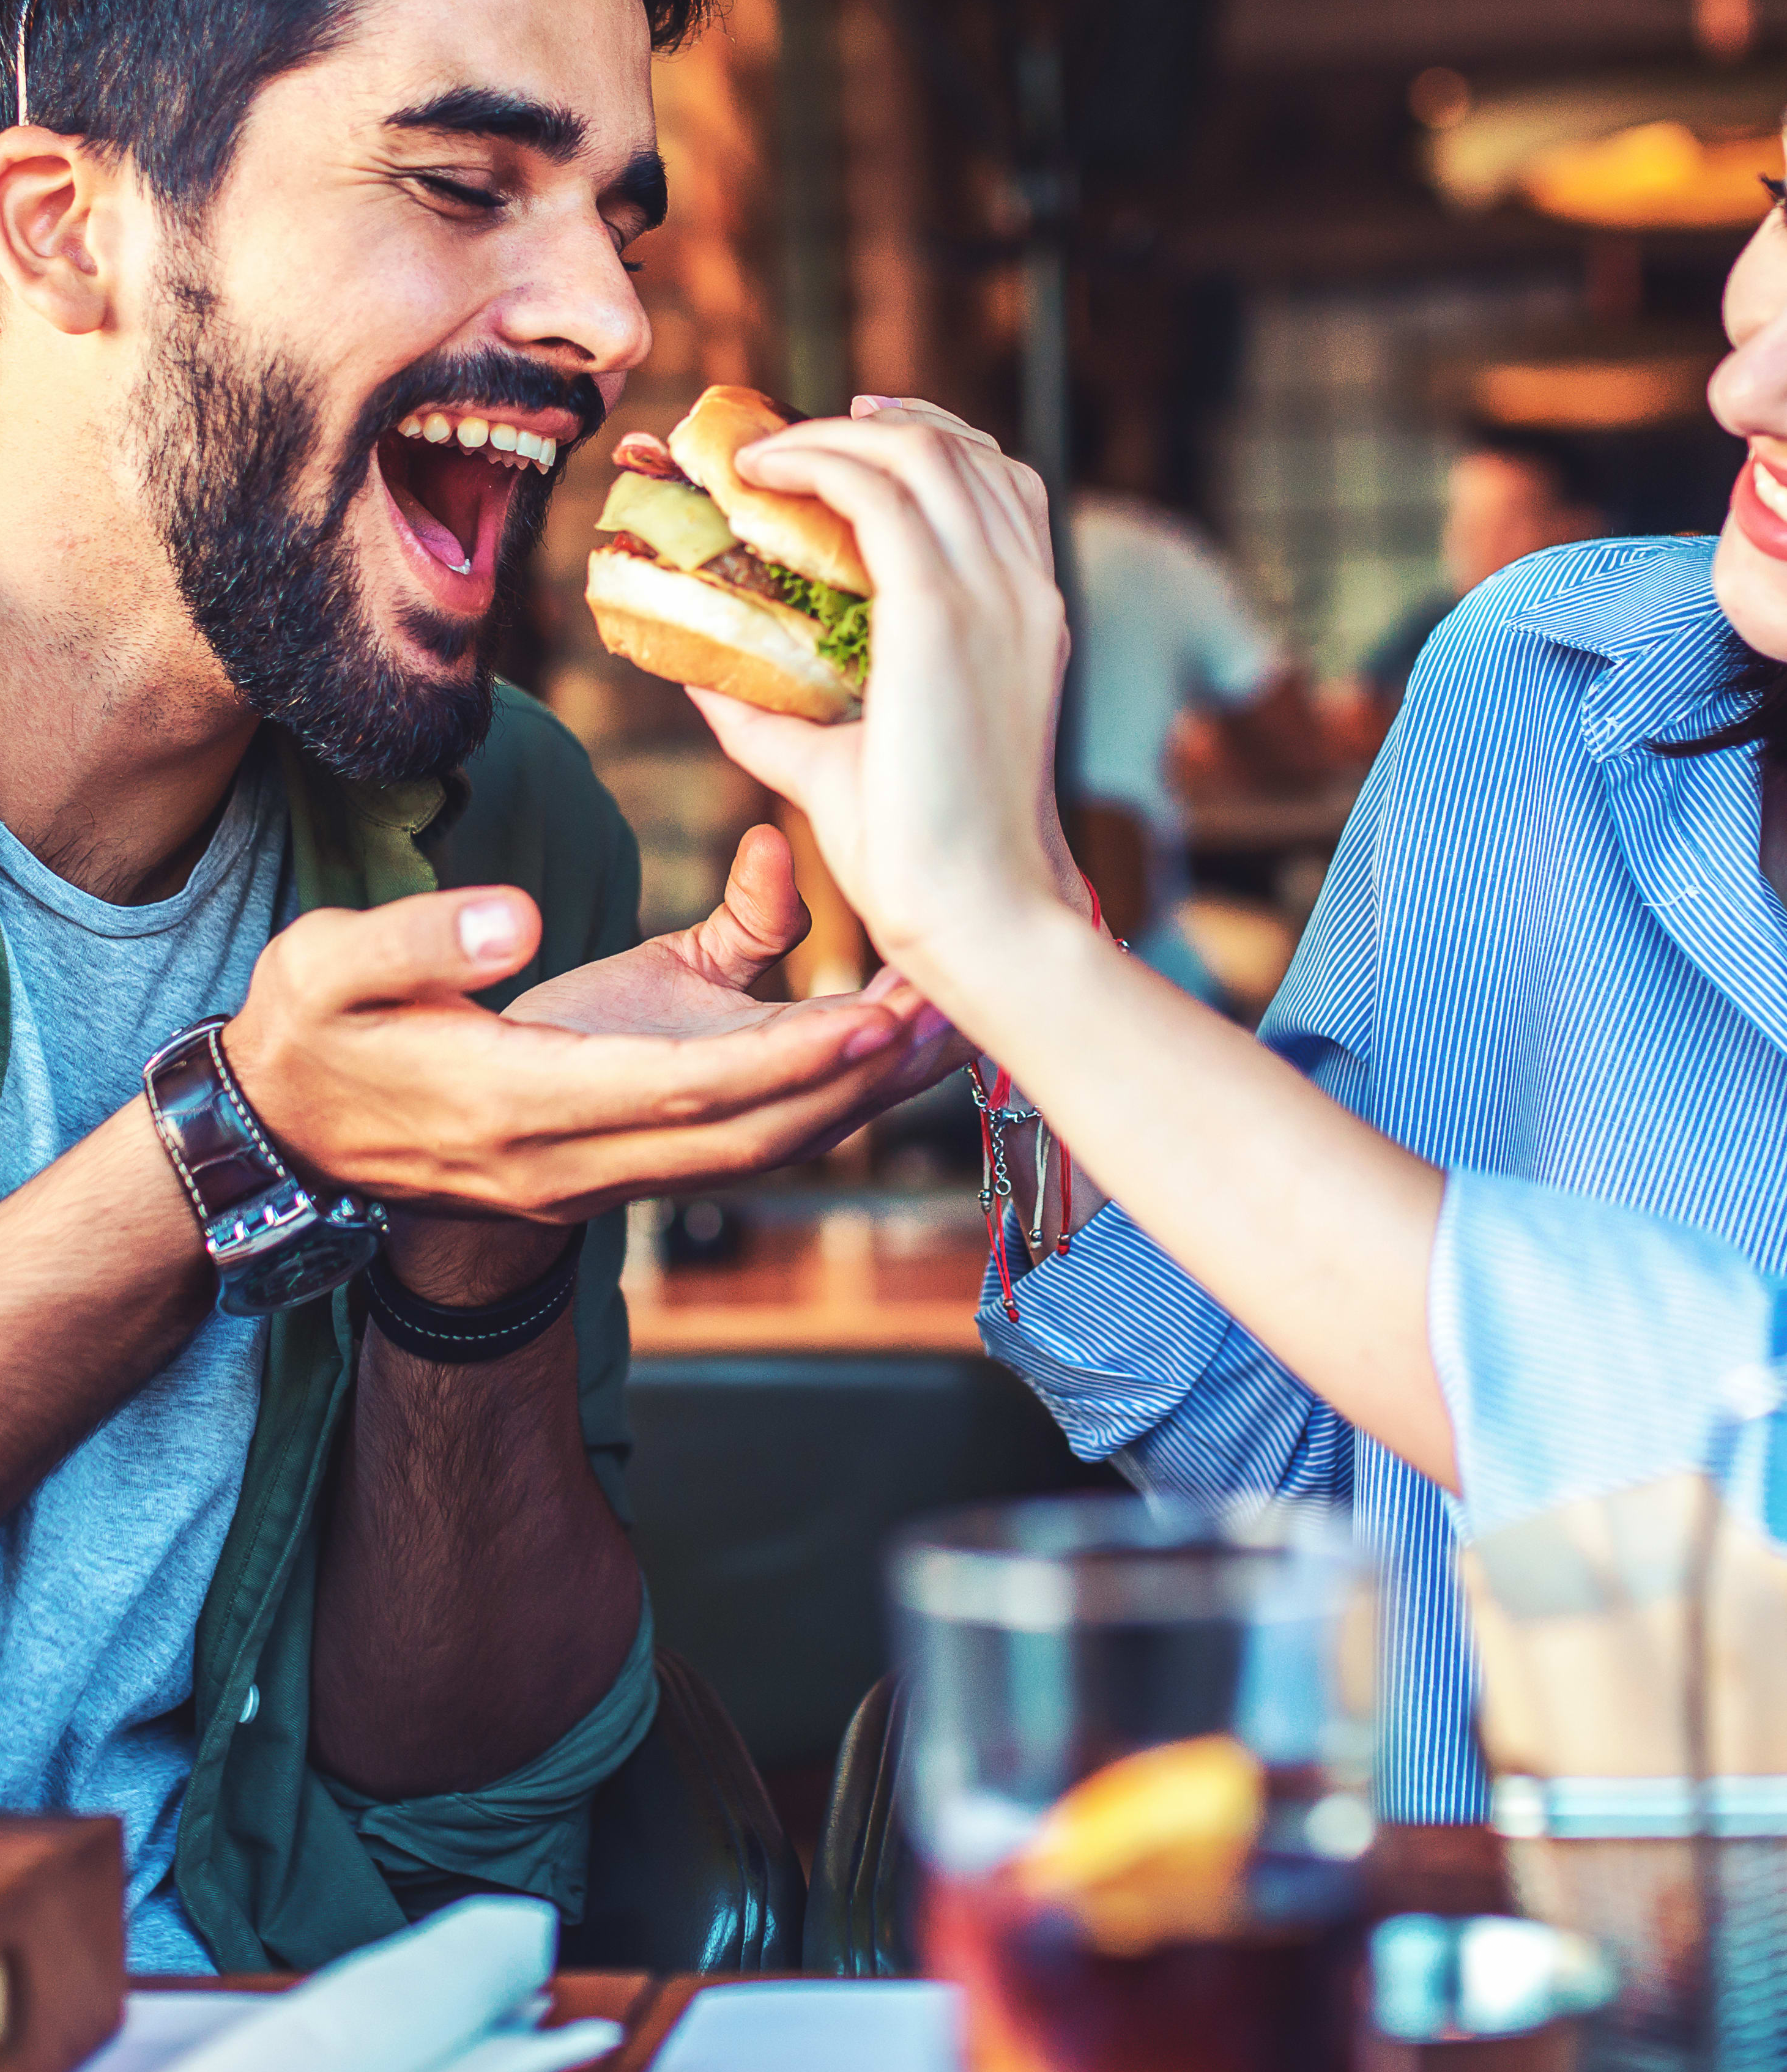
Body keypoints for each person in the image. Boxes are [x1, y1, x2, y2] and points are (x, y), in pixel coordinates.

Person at [0, 0, 951, 1973]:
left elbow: (471, 1800)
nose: (609, 315)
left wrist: (478, 1224)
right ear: (66, 228)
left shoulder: (505, 823)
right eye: (460, 185)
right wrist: (234, 1146)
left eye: (615, 218)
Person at [699, 152, 1787, 1825]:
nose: (1744, 366)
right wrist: (999, 926)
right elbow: (1295, 1450)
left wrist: (1008, 936)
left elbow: (1716, 1493)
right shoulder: (1534, 687)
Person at [1064, 464, 1327, 995]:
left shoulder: (932, 550)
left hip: (943, 944)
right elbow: (1295, 747)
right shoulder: (1151, 550)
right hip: (1129, 934)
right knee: (1298, 958)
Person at [1353, 421, 1611, 732]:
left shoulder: (1612, 641)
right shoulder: (1439, 620)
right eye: (1464, 521)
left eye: (1503, 524)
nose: (1472, 543)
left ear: (1580, 528)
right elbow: (1360, 709)